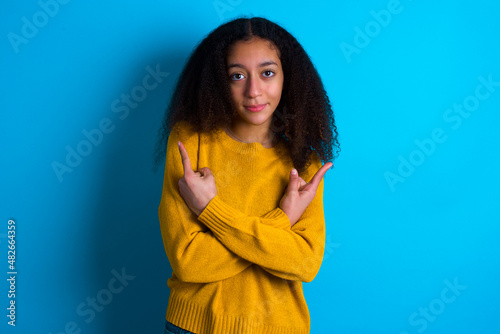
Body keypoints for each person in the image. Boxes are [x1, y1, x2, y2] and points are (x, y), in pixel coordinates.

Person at [156, 17, 339, 334]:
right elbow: (190, 262)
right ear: (218, 81)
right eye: (237, 76)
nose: (254, 90)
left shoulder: (304, 162)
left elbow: (304, 263)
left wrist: (209, 210)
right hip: (194, 326)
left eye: (267, 73)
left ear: (287, 78)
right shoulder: (190, 142)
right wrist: (281, 221)